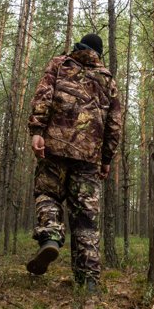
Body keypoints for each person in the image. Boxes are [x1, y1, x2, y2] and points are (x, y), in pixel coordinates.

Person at [25, 33, 122, 292]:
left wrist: (37, 131)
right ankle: (88, 280)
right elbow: (114, 124)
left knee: (47, 194)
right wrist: (106, 159)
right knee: (86, 219)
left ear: (80, 46)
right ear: (98, 53)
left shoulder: (60, 64)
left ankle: (51, 236)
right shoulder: (107, 79)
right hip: (89, 158)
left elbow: (42, 97)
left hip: (54, 147)